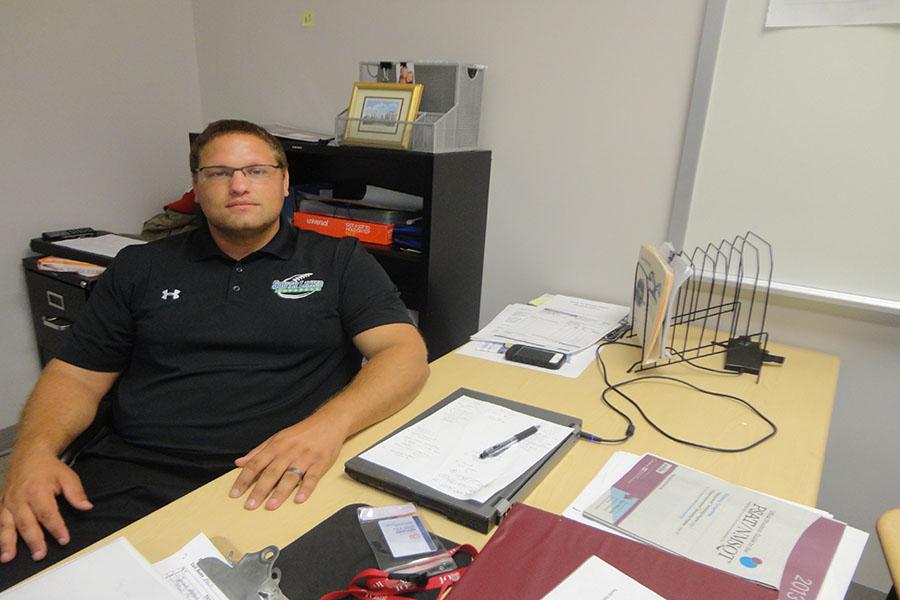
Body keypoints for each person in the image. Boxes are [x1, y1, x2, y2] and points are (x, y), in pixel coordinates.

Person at [0, 120, 429, 587]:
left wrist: (328, 426)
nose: (239, 185)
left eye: (256, 171)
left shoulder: (339, 261)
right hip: (136, 475)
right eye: (219, 172)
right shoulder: (140, 267)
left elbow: (402, 352)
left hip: (282, 475)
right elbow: (77, 376)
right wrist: (33, 452)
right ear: (196, 187)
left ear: (285, 183)